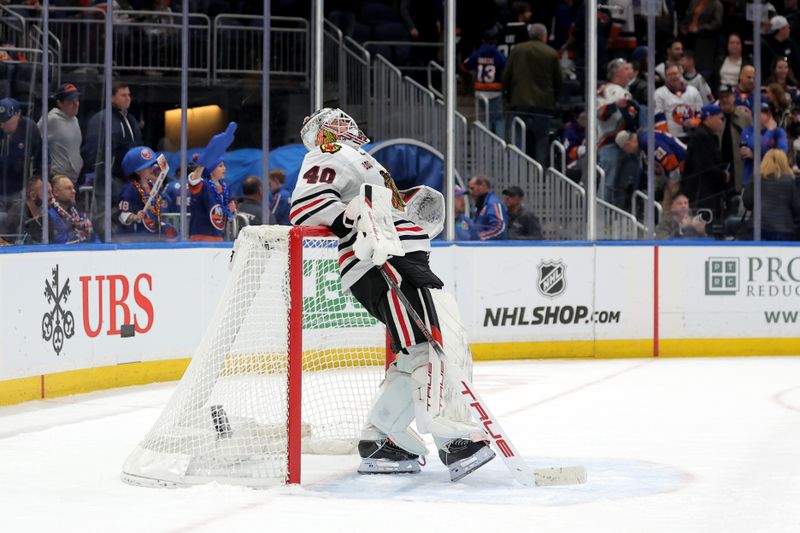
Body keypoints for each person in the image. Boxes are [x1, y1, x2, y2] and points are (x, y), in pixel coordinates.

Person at [290, 107, 495, 480]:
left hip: (402, 260)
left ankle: (383, 440)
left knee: (418, 348)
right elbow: (306, 205)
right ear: (322, 132)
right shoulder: (330, 151)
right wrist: (355, 223)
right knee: (425, 346)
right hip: (381, 262)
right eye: (333, 121)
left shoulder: (360, 159)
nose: (345, 122)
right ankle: (451, 439)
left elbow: (375, 207)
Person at [502, 23, 562, 165]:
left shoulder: (517, 50)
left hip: (519, 101)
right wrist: (554, 98)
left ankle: (516, 168)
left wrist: (507, 96)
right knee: (542, 138)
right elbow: (558, 80)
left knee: (518, 137)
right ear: (544, 36)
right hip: (543, 103)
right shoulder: (551, 53)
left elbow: (507, 75)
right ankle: (540, 172)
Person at [597, 59, 640, 208]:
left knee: (622, 186)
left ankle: (617, 220)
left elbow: (633, 117)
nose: (628, 72)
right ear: (616, 72)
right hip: (609, 143)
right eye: (624, 69)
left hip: (627, 145)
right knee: (607, 184)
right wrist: (616, 105)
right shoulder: (607, 89)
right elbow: (600, 114)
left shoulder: (626, 92)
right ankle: (600, 219)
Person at [82, 83, 143, 188]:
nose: (128, 98)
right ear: (112, 98)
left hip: (131, 179)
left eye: (129, 95)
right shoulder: (101, 119)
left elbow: (138, 146)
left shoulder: (131, 120)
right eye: (123, 95)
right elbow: (93, 152)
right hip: (111, 180)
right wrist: (103, 176)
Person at [117, 146, 176, 241]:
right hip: (135, 238)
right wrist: (134, 217)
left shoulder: (153, 186)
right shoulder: (130, 189)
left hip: (154, 236)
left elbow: (167, 202)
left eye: (152, 165)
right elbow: (122, 215)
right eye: (147, 166)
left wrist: (159, 188)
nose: (151, 169)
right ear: (137, 171)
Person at [741, 148, 800, 240]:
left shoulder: (756, 177)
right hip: (784, 230)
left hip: (758, 228)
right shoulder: (790, 180)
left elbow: (747, 202)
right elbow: (797, 208)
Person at [683, 103, 728, 221]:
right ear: (709, 118)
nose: (721, 122)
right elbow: (705, 166)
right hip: (701, 195)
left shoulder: (709, 136)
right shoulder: (701, 137)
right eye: (719, 118)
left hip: (709, 192)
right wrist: (723, 175)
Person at [462, 27, 507, 138]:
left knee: (483, 117)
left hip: (480, 91)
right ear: (496, 41)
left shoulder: (477, 54)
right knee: (498, 119)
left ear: (483, 40)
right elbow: (507, 67)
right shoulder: (499, 55)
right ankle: (499, 145)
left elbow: (464, 66)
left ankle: (484, 143)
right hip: (495, 91)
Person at [188, 144, 238, 242]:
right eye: (220, 166)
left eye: (224, 166)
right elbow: (194, 181)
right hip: (200, 236)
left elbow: (228, 212)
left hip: (218, 236)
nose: (224, 169)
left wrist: (231, 210)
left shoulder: (225, 187)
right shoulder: (203, 184)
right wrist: (203, 164)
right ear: (210, 170)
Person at [39, 83, 83, 184]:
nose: (76, 104)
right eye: (71, 101)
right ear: (59, 103)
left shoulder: (75, 119)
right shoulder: (51, 119)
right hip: (57, 179)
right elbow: (34, 138)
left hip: (74, 178)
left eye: (77, 100)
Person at [0, 97, 42, 205]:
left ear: (18, 114)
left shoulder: (29, 128)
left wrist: (39, 184)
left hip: (20, 187)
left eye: (7, 119)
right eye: (1, 120)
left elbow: (41, 157)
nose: (3, 124)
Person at [740, 101, 789, 184]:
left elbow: (782, 154)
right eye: (764, 113)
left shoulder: (779, 132)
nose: (769, 115)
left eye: (769, 113)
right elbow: (750, 150)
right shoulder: (747, 131)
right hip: (751, 179)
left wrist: (754, 155)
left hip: (772, 179)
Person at [654, 64, 704, 142]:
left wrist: (694, 122)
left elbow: (701, 113)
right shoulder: (659, 93)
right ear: (666, 77)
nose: (673, 77)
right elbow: (658, 119)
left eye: (675, 73)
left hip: (693, 136)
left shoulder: (693, 91)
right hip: (672, 138)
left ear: (680, 73)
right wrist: (666, 139)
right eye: (670, 75)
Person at [718, 84, 749, 192]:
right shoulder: (715, 118)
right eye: (721, 97)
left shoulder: (745, 117)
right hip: (720, 171)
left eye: (727, 96)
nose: (724, 100)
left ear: (734, 97)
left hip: (740, 169)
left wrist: (751, 151)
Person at [48, 174, 94, 244]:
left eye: (73, 188)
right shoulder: (50, 216)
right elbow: (60, 243)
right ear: (56, 192)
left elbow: (93, 239)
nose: (74, 191)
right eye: (68, 188)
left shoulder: (75, 213)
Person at [2, 176, 48, 244]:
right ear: (33, 196)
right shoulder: (17, 216)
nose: (51, 197)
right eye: (46, 193)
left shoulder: (47, 217)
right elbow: (9, 242)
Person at [467, 175, 507, 240]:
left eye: (472, 188)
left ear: (483, 186)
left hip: (491, 248)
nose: (471, 192)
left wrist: (480, 237)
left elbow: (500, 228)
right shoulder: (480, 205)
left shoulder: (493, 203)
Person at [763, 16, 800, 83]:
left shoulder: (791, 44)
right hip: (771, 81)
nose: (789, 30)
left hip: (790, 80)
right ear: (781, 29)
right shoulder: (767, 45)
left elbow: (797, 63)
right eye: (787, 27)